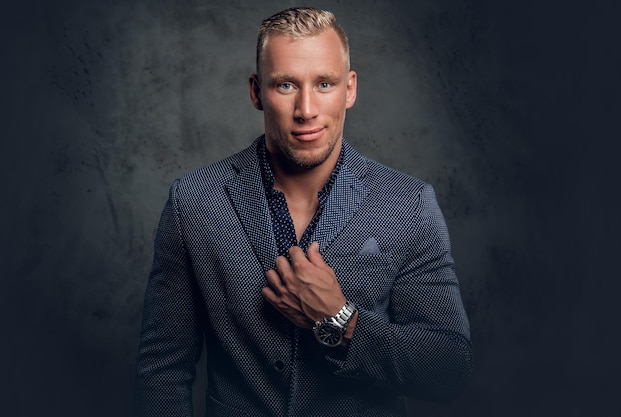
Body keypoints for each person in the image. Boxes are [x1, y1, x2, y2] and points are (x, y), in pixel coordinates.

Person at [135, 7, 472, 417]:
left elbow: (447, 368)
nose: (306, 109)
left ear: (349, 89)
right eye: (286, 85)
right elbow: (162, 371)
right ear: (257, 92)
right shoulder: (194, 201)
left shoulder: (408, 204)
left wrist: (340, 320)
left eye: (324, 83)